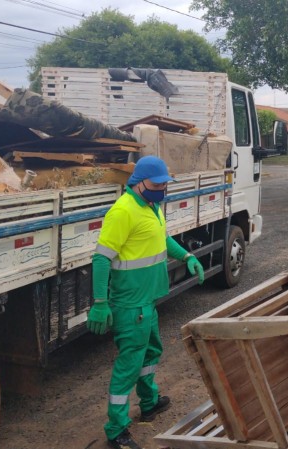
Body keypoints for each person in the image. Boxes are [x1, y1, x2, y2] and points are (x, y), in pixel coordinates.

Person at [87, 155, 205, 449]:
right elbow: (102, 259)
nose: (162, 189)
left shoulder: (152, 205)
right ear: (138, 184)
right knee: (129, 365)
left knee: (151, 353)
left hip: (148, 301)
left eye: (165, 184)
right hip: (129, 305)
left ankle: (149, 402)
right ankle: (116, 429)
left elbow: (162, 239)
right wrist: (100, 302)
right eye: (157, 184)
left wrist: (187, 256)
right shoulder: (123, 211)